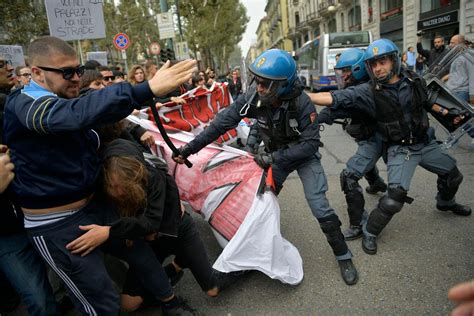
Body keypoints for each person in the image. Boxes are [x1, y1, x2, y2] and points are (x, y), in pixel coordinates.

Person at [3, 36, 197, 315]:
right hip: (58, 225)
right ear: (36, 73)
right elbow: (69, 116)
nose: (76, 78)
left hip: (95, 206)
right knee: (100, 301)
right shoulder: (25, 104)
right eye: (67, 72)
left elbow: (96, 110)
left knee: (140, 253)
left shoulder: (65, 99)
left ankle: (171, 304)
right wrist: (144, 88)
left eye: (78, 70)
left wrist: (148, 99)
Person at [173, 49, 358, 285]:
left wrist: (274, 158)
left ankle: (343, 255)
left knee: (320, 207)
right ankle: (256, 254)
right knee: (257, 204)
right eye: (257, 81)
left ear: (283, 85)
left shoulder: (302, 104)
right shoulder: (255, 96)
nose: (259, 87)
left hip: (299, 157)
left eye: (265, 84)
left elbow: (310, 146)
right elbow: (223, 122)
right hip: (274, 156)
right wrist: (190, 149)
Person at [308, 39, 471, 255]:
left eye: (382, 62)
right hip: (401, 149)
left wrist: (450, 113)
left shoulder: (414, 81)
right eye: (373, 64)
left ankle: (445, 201)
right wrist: (302, 98)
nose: (378, 68)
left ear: (394, 60)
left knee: (454, 176)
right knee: (394, 199)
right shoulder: (367, 91)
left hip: (425, 143)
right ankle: (369, 230)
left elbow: (429, 102)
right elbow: (332, 98)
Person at [93, 139, 232, 311]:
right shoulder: (104, 184)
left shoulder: (155, 178)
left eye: (122, 186)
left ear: (135, 176)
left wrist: (110, 231)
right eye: (113, 185)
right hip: (151, 240)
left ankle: (241, 266)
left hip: (178, 231)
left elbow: (150, 222)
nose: (118, 191)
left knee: (212, 289)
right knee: (129, 304)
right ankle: (176, 267)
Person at [0, 56, 58, 315]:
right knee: (39, 300)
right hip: (7, 231)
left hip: (37, 214)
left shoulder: (15, 102)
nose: (9, 68)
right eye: (1, 65)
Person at [317, 48, 387, 240]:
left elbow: (339, 105)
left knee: (349, 176)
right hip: (371, 137)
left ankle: (358, 224)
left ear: (358, 69)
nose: (344, 75)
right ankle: (376, 182)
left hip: (381, 138)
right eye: (342, 71)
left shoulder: (364, 89)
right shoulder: (357, 86)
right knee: (365, 158)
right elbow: (337, 109)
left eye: (347, 70)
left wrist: (320, 116)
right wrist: (316, 119)